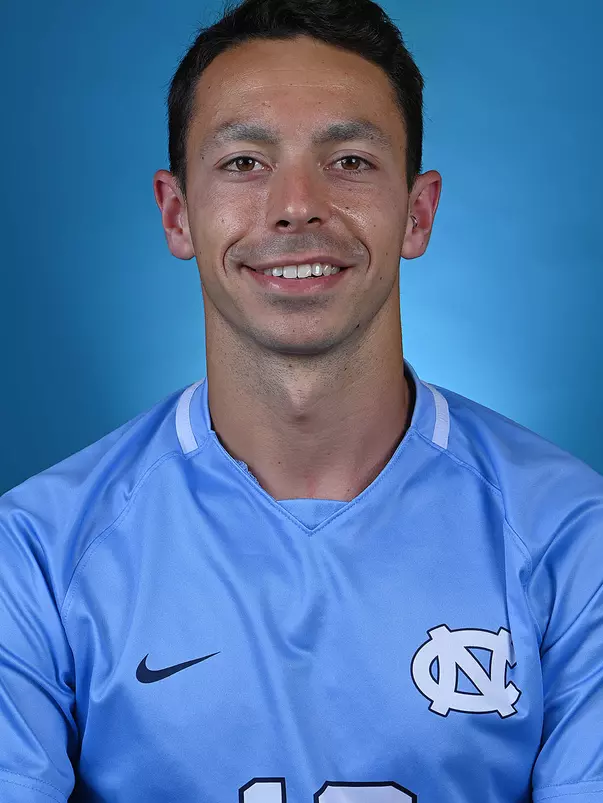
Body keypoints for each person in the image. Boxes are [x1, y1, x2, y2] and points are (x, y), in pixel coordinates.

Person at [1, 0, 602, 800]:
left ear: (416, 212)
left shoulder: (573, 538)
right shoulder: (37, 554)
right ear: (177, 213)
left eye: (348, 160)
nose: (296, 204)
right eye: (244, 162)